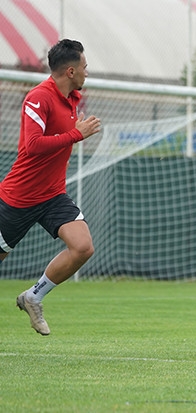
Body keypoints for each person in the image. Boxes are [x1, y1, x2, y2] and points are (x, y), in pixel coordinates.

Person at [0, 39, 101, 335]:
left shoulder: (73, 98)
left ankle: (33, 296)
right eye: (84, 67)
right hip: (19, 198)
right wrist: (75, 135)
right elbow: (32, 146)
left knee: (83, 247)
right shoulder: (37, 98)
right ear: (70, 71)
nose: (87, 72)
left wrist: (74, 133)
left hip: (53, 195)